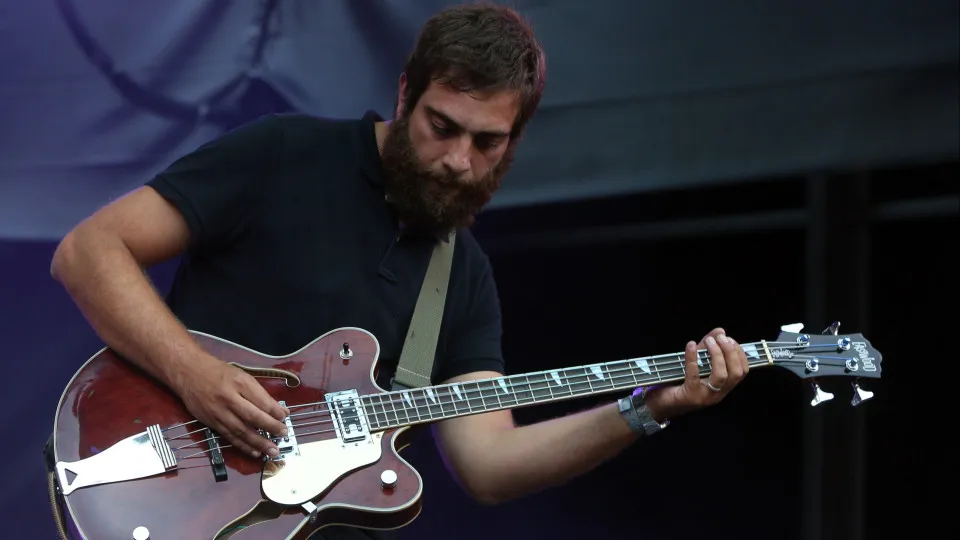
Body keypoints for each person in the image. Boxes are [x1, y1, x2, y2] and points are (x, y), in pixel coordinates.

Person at [50, 3, 748, 539]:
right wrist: (196, 376)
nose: (459, 161)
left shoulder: (463, 275)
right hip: (167, 483)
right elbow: (88, 250)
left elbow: (489, 465)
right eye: (442, 127)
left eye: (488, 142)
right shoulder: (284, 154)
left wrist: (647, 409)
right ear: (406, 93)